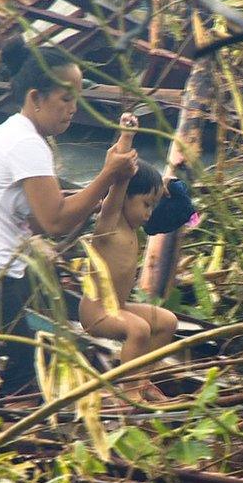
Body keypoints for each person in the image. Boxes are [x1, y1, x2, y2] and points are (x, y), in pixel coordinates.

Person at [0, 41, 138, 405]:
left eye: (77, 99)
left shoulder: (18, 135)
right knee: (6, 379)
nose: (73, 110)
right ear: (36, 97)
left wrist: (104, 186)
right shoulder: (25, 144)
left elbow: (43, 219)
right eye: (65, 99)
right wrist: (107, 175)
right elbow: (56, 220)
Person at [78, 114, 179, 402]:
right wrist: (127, 134)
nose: (149, 213)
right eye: (146, 204)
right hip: (96, 313)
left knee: (167, 321)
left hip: (118, 307)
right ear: (126, 199)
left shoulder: (135, 230)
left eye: (153, 206)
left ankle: (141, 378)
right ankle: (129, 393)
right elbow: (118, 180)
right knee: (139, 329)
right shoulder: (110, 223)